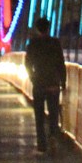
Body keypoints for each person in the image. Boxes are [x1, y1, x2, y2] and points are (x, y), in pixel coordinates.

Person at [24, 17, 67, 154]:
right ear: (48, 28)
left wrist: (32, 78)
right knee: (53, 114)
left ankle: (41, 145)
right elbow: (61, 63)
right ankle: (53, 137)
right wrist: (63, 81)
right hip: (53, 83)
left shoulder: (32, 44)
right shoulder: (55, 43)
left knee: (39, 116)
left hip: (39, 84)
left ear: (37, 29)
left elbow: (28, 64)